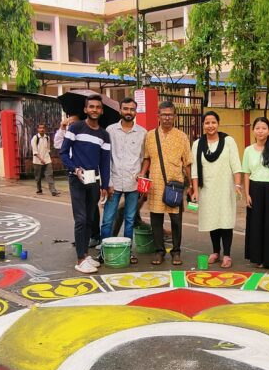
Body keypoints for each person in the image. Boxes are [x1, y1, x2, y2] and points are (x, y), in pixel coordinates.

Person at [60, 95, 111, 274]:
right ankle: (80, 259)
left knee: (90, 218)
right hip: (77, 179)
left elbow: (105, 162)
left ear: (101, 111)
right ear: (85, 109)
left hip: (94, 180)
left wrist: (105, 184)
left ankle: (86, 254)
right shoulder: (75, 128)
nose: (94, 110)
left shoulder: (104, 135)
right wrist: (75, 169)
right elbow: (64, 153)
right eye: (91, 107)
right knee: (80, 219)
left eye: (98, 107)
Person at [141, 100, 191, 266]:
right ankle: (159, 251)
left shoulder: (182, 137)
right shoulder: (150, 136)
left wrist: (191, 185)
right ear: (158, 116)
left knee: (176, 219)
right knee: (156, 219)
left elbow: (187, 163)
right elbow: (147, 158)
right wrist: (142, 175)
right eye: (164, 115)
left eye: (170, 115)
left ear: (175, 116)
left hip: (175, 184)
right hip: (155, 183)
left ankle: (176, 252)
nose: (167, 118)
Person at [190, 111, 242, 269]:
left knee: (225, 221)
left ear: (218, 124)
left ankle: (227, 254)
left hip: (225, 187)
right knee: (212, 221)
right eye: (207, 123)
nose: (210, 126)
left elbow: (236, 164)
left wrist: (237, 185)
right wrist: (195, 190)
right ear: (203, 125)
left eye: (213, 122)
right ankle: (215, 251)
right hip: (207, 188)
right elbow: (194, 170)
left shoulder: (228, 141)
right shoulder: (197, 144)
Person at [242, 117, 269, 269]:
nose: (260, 131)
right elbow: (246, 174)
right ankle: (258, 258)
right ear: (253, 130)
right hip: (255, 189)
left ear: (268, 131)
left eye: (263, 128)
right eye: (257, 128)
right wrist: (247, 194)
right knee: (256, 225)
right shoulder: (248, 150)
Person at [101, 98, 145, 247]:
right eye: (125, 109)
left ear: (135, 112)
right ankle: (105, 250)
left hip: (133, 182)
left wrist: (142, 174)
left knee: (130, 219)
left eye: (132, 109)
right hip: (113, 182)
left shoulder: (142, 133)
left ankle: (127, 251)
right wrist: (107, 183)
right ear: (120, 110)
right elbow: (106, 158)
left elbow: (144, 157)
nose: (129, 112)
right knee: (107, 219)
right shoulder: (110, 130)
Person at [31, 123, 58, 196]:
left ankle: (53, 191)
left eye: (43, 128)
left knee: (50, 175)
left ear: (45, 129)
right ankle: (39, 190)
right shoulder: (35, 138)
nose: (42, 129)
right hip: (37, 161)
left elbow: (48, 149)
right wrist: (41, 159)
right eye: (40, 128)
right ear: (38, 129)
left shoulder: (47, 138)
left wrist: (49, 158)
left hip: (47, 159)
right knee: (38, 177)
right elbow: (35, 151)